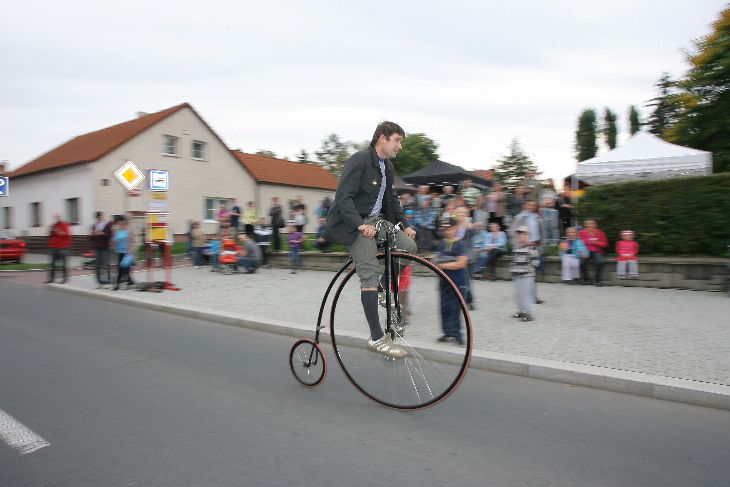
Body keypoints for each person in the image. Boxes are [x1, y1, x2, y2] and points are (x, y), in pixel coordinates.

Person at [323, 121, 416, 359]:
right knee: (369, 273)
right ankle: (376, 337)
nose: (400, 146)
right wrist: (359, 224)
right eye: (397, 140)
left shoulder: (388, 167)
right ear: (382, 138)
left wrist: (405, 225)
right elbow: (343, 197)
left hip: (376, 222)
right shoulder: (360, 160)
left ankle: (383, 288)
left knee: (408, 248)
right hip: (353, 224)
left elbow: (392, 200)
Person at [433, 218, 468, 345]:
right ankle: (447, 333)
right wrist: (435, 263)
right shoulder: (442, 243)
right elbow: (436, 259)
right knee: (444, 308)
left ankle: (458, 336)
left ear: (455, 228)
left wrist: (442, 266)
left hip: (457, 281)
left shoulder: (460, 244)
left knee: (456, 308)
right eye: (446, 229)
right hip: (443, 281)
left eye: (450, 228)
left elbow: (462, 263)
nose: (448, 231)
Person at [510, 226, 540, 322]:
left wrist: (527, 269)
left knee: (526, 294)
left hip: (527, 275)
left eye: (523, 234)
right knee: (518, 294)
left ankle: (529, 313)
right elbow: (514, 260)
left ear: (528, 236)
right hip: (517, 275)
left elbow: (535, 262)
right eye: (519, 234)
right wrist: (512, 269)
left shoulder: (532, 247)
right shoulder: (516, 247)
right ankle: (522, 311)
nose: (521, 236)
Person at [579, 218, 608, 286]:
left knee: (600, 262)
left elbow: (605, 244)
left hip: (597, 251)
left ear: (595, 225)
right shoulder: (581, 232)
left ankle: (597, 280)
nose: (589, 225)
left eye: (591, 223)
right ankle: (585, 280)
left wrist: (597, 242)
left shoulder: (600, 233)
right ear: (585, 225)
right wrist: (581, 251)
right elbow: (579, 243)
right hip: (585, 251)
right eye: (587, 224)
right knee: (581, 262)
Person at [90, 211, 113, 288]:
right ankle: (99, 282)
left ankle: (108, 281)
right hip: (97, 248)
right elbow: (91, 238)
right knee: (97, 265)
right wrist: (93, 234)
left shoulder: (107, 224)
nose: (100, 218)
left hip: (105, 247)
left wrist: (102, 233)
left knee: (106, 264)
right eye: (98, 217)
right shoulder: (94, 226)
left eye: (101, 216)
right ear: (97, 218)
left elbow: (110, 235)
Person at [47, 213, 72, 284]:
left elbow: (66, 235)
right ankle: (51, 279)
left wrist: (57, 230)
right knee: (52, 264)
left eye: (58, 217)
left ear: (61, 217)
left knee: (63, 264)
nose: (57, 218)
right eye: (56, 217)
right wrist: (51, 231)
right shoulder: (54, 225)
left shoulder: (65, 224)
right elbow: (50, 235)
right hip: (53, 247)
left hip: (63, 247)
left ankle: (65, 279)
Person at [112, 216, 135, 290]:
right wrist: (114, 242)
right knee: (120, 268)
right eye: (120, 224)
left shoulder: (129, 231)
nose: (121, 225)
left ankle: (120, 284)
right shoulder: (118, 232)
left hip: (127, 253)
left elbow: (132, 242)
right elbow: (115, 241)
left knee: (125, 269)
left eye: (123, 224)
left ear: (125, 224)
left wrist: (130, 252)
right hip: (120, 252)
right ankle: (128, 282)